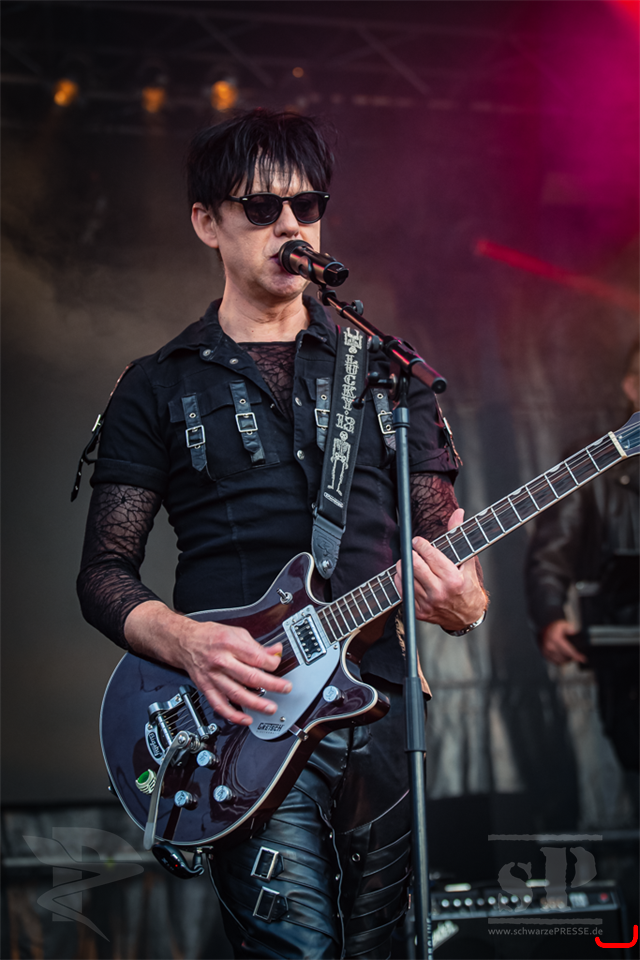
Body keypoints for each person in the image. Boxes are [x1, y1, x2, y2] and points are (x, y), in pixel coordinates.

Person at [77, 109, 487, 960]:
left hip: (378, 707)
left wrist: (465, 604)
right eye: (261, 208)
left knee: (384, 950)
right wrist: (188, 643)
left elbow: (448, 545)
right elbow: (104, 572)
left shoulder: (389, 375)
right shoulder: (155, 387)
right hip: (242, 720)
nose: (290, 225)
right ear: (207, 222)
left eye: (307, 205)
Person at [525, 341, 640, 803]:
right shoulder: (598, 458)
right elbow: (552, 546)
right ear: (632, 387)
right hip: (627, 651)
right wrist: (550, 615)